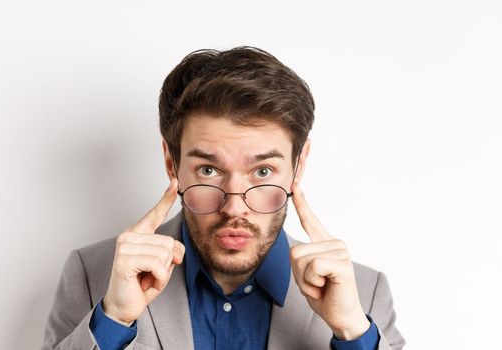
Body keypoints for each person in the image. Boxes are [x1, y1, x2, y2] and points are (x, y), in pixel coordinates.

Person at [41, 46, 405, 350]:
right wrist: (114, 319)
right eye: (209, 171)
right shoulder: (93, 274)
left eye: (262, 172)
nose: (234, 207)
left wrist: (353, 334)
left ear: (298, 165)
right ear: (172, 164)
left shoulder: (364, 294)